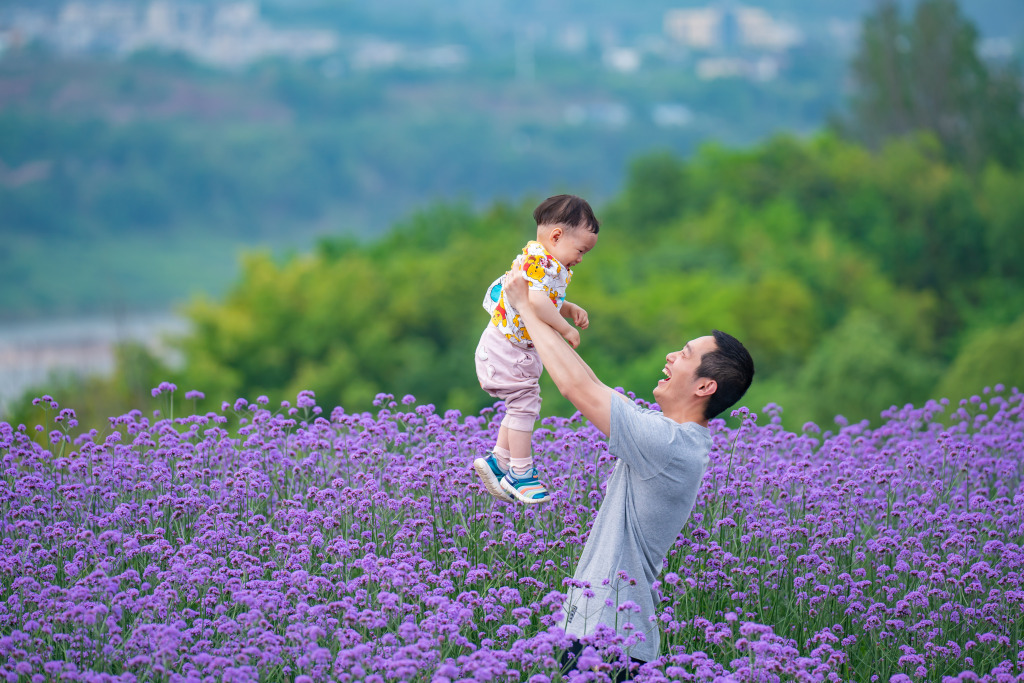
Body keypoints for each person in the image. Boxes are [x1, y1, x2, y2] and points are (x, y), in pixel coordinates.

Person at [501, 259, 754, 679]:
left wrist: (526, 310)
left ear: (705, 386)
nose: (671, 355)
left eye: (686, 355)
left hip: (611, 640)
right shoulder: (672, 437)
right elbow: (592, 383)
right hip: (602, 630)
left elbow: (575, 388)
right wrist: (540, 314)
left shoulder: (670, 446)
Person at [472, 195, 600, 505]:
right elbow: (538, 302)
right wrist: (564, 327)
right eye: (580, 250)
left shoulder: (543, 261)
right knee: (524, 406)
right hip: (505, 350)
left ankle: (498, 461)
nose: (581, 258)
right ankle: (521, 473)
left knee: (522, 402)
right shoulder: (540, 262)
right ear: (556, 236)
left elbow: (546, 298)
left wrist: (568, 308)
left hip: (509, 348)